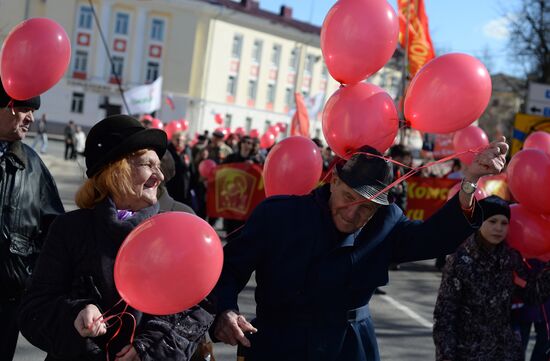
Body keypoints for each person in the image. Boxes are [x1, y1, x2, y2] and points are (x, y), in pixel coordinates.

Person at [210, 138, 508, 361]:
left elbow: (434, 238)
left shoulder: (386, 222)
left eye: (366, 207)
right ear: (334, 181)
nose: (352, 214)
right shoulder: (279, 214)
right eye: (348, 197)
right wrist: (225, 310)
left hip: (349, 347)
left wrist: (470, 181)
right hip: (279, 342)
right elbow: (229, 268)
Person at [19, 115, 214, 361]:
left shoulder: (174, 228)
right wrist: (76, 313)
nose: (160, 176)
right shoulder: (70, 228)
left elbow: (197, 310)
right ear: (116, 170)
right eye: (148, 165)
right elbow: (34, 309)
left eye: (159, 166)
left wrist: (147, 349)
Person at [433, 196, 550, 361]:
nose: (498, 228)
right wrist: (446, 356)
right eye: (492, 221)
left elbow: (532, 294)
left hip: (504, 352)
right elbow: (445, 315)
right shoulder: (461, 260)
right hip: (468, 351)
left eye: (504, 223)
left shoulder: (510, 258)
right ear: (479, 222)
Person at [0, 82, 64, 361]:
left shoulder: (33, 168)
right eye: (24, 108)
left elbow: (56, 237)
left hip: (5, 305)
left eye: (33, 110)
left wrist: (26, 276)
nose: (31, 117)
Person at [511, 259, 550, 361]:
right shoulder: (516, 256)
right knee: (519, 346)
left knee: (543, 344)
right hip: (521, 309)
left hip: (542, 309)